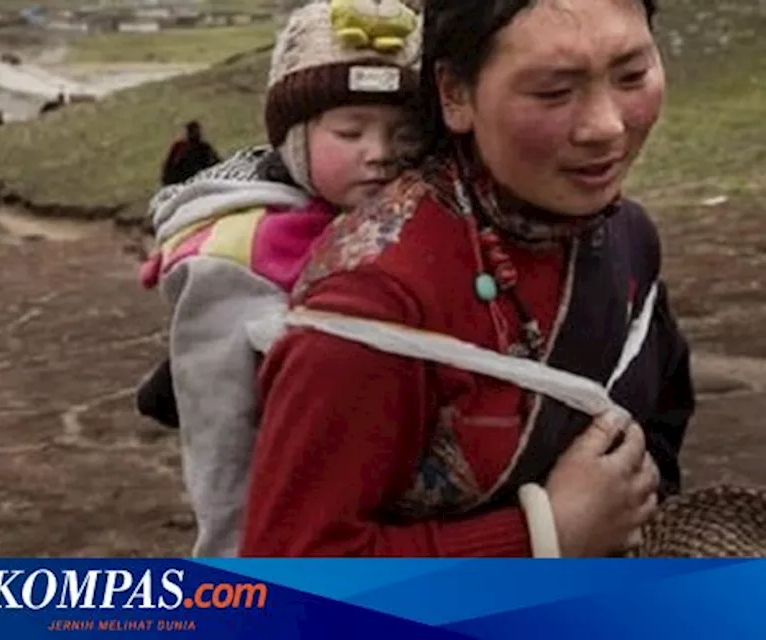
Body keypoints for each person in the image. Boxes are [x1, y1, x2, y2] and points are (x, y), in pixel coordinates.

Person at [240, 0, 693, 557]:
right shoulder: (371, 308)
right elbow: (293, 580)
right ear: (454, 94)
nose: (605, 125)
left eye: (632, 75)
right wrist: (543, 537)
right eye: (554, 91)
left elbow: (662, 419)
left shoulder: (626, 235)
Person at [136, 0, 423, 557]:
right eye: (349, 131)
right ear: (293, 138)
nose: (380, 153)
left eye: (404, 133)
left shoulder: (411, 215)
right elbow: (224, 444)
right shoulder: (241, 256)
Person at [160, 120, 221, 187]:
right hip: (184, 182)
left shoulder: (203, 148)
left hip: (193, 182)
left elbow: (216, 162)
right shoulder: (180, 147)